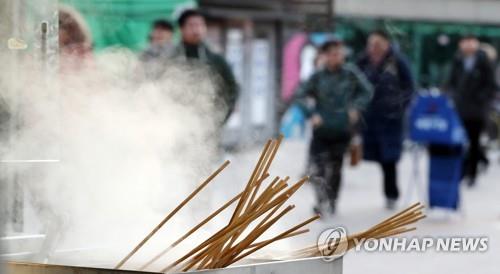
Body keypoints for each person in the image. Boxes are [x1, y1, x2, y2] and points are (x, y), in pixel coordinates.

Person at [298, 39, 373, 215]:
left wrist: (355, 108)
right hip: (321, 130)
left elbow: (367, 91)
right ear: (324, 56)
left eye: (340, 53)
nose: (337, 57)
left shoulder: (350, 74)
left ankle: (332, 200)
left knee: (336, 168)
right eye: (333, 54)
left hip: (342, 129)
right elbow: (299, 95)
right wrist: (311, 114)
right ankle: (320, 201)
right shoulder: (317, 77)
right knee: (318, 168)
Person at [357, 30, 415, 210]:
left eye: (378, 44)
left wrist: (399, 106)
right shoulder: (362, 62)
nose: (373, 48)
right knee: (370, 155)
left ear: (387, 45)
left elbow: (410, 87)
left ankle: (391, 194)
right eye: (371, 44)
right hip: (369, 118)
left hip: (391, 120)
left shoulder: (398, 62)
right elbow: (352, 85)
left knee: (389, 159)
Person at [445, 35, 496, 187]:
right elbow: (451, 82)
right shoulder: (458, 60)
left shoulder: (484, 61)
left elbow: (491, 85)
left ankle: (472, 173)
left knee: (474, 142)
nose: (467, 45)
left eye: (471, 42)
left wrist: (481, 99)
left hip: (477, 110)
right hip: (460, 108)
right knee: (459, 141)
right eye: (465, 42)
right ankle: (461, 171)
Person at [173, 9, 239, 122]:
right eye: (192, 25)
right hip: (176, 123)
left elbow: (232, 88)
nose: (196, 30)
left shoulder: (215, 58)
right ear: (181, 29)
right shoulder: (171, 57)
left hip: (208, 123)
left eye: (200, 25)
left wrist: (221, 117)